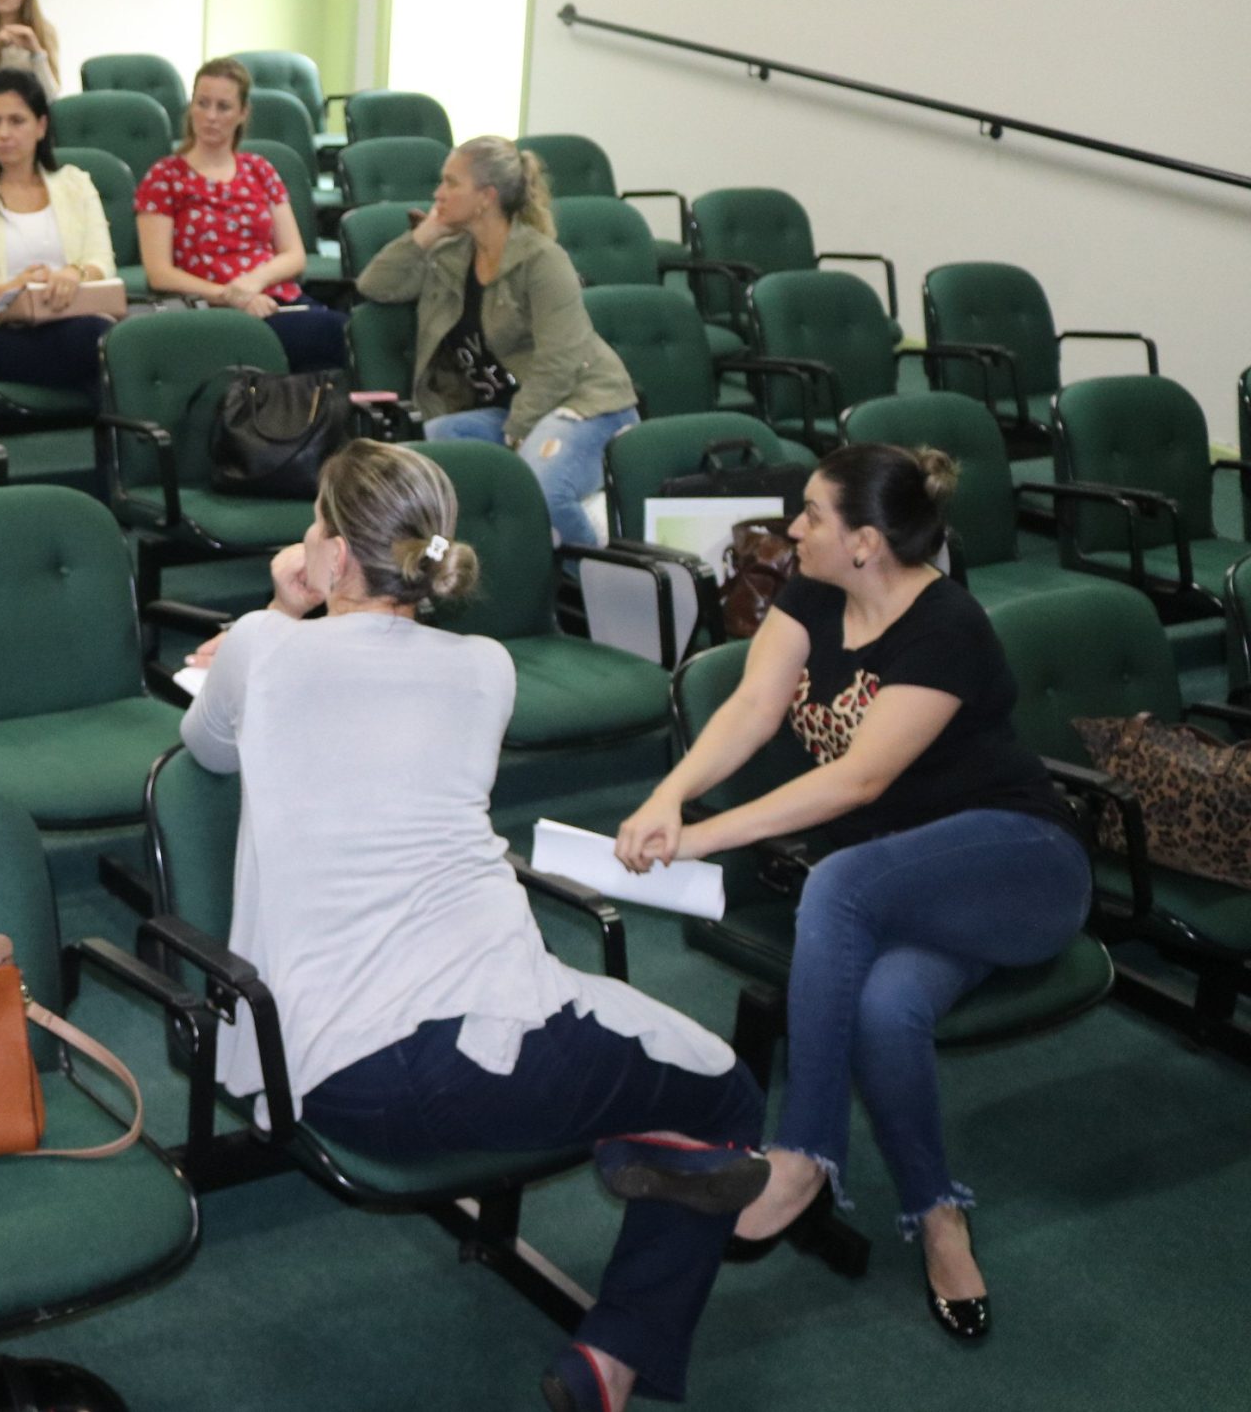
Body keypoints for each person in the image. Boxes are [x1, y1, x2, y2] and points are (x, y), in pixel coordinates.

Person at [183, 440, 767, 1412]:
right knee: (728, 1095)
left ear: (331, 550)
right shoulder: (485, 666)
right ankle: (618, 1347)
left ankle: (643, 1160)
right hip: (485, 1058)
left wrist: (281, 599)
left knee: (646, 1067)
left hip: (322, 1075)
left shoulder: (262, 648)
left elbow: (203, 745)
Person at [615, 445, 1088, 1346]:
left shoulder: (947, 625)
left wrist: (703, 836)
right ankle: (938, 1216)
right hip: (904, 890)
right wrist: (667, 796)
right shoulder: (809, 595)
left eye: (813, 516)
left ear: (866, 541)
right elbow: (752, 707)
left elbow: (858, 782)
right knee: (882, 1007)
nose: (793, 528)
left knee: (836, 877)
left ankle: (800, 1157)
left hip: (1019, 864)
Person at [354, 135, 639, 547]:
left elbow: (562, 362)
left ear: (486, 197)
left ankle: (591, 581)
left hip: (586, 405)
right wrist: (431, 228)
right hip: (515, 412)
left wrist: (518, 430)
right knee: (435, 445)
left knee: (545, 495)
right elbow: (375, 284)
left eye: (451, 183)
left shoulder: (542, 260)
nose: (438, 193)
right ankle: (493, 564)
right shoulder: (451, 255)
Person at [136, 57, 345, 373]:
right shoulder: (165, 176)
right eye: (202, 104)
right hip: (210, 307)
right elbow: (159, 273)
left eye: (223, 107)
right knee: (323, 335)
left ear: (243, 113)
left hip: (273, 299)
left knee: (344, 333)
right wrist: (231, 296)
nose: (210, 117)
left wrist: (253, 282)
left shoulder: (259, 169)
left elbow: (294, 255)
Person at [0, 70, 119, 394]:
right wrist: (9, 289)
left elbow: (102, 262)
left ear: (41, 126)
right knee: (103, 348)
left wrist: (74, 273)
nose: (3, 133)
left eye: (17, 121)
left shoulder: (75, 183)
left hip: (72, 319)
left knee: (111, 356)